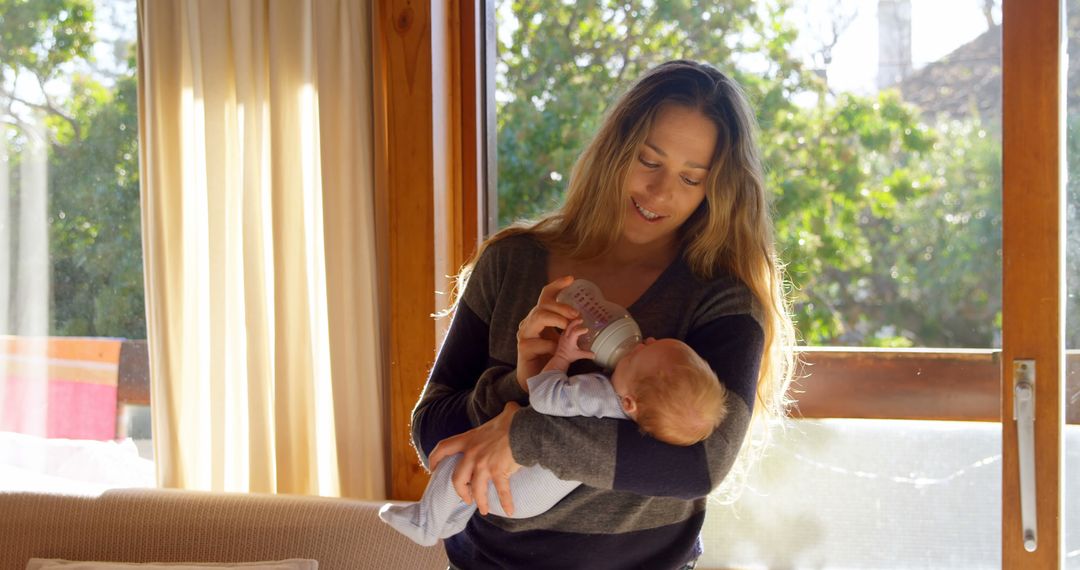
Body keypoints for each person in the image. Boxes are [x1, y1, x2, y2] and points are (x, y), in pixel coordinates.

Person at [411, 59, 796, 569]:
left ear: (714, 189)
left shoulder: (719, 298)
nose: (661, 193)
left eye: (690, 178)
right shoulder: (512, 262)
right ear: (616, 149)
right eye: (649, 161)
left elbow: (701, 463)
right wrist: (520, 385)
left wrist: (523, 435)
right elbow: (432, 431)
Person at [381, 320, 728, 546]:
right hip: (529, 499)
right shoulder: (637, 422)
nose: (646, 338)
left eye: (643, 350)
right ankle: (450, 519)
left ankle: (426, 523)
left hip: (518, 488)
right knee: (469, 487)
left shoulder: (596, 394)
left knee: (460, 462)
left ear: (630, 401)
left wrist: (561, 357)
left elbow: (544, 396)